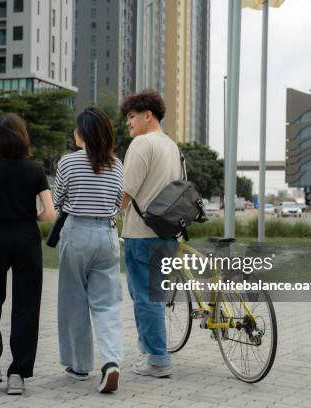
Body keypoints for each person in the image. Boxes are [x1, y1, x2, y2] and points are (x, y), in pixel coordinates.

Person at [0, 113, 56, 395]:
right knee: (26, 306)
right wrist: (31, 215)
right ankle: (18, 374)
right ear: (23, 137)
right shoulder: (35, 170)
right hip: (27, 238)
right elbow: (51, 212)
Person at [53, 108, 124, 393]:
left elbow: (58, 198)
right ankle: (111, 363)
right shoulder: (117, 165)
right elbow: (119, 202)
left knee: (74, 301)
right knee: (107, 304)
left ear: (82, 133)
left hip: (77, 233)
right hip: (107, 235)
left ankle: (80, 366)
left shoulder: (68, 162)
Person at [119, 90, 182, 378]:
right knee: (152, 295)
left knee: (145, 297)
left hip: (141, 233)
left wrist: (111, 214)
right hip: (168, 232)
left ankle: (158, 359)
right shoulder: (172, 146)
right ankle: (149, 352)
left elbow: (126, 190)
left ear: (147, 115)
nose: (128, 124)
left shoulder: (142, 144)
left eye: (131, 117)